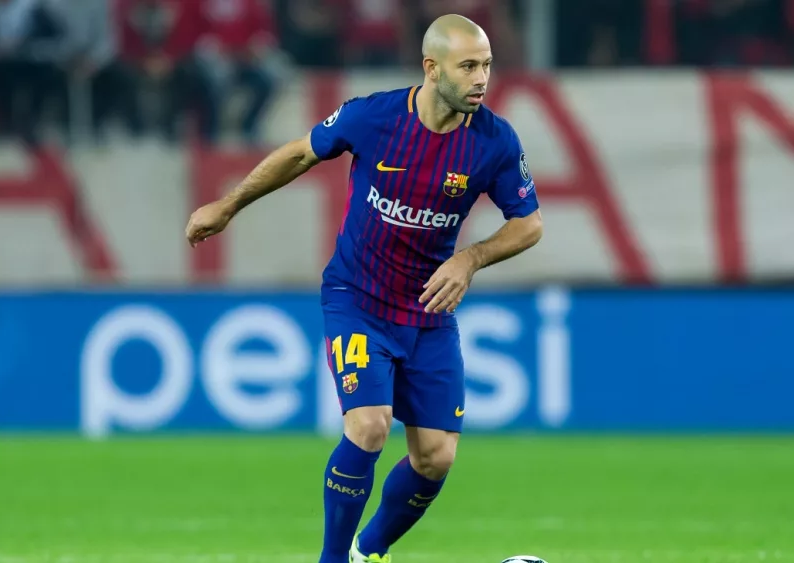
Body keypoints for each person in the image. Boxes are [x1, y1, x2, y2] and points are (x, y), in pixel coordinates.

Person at [184, 13, 543, 563]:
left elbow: (529, 223)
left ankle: (368, 550)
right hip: (358, 300)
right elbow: (301, 153)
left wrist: (470, 259)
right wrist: (228, 204)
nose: (481, 79)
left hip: (427, 315)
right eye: (468, 66)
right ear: (431, 68)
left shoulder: (494, 141)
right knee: (370, 426)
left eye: (487, 66)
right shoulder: (373, 117)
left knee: (436, 459)